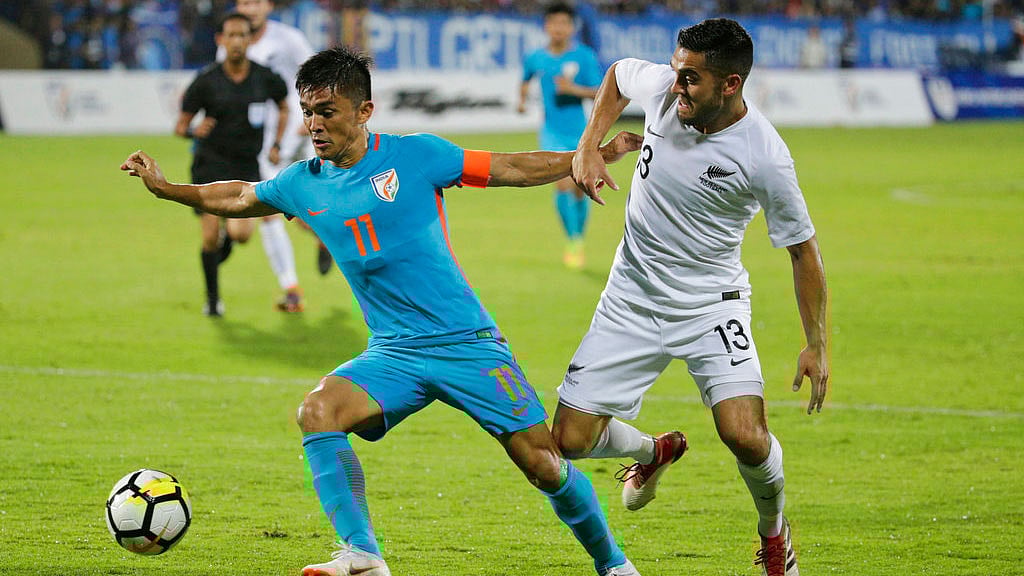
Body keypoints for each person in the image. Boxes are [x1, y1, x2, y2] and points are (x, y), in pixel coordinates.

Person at [122, 45, 645, 576]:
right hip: (393, 352)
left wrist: (586, 156)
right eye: (308, 111)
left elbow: (509, 165)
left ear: (364, 111)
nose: (314, 124)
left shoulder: (416, 155)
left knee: (544, 464)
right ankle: (363, 554)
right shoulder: (303, 182)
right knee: (318, 412)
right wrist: (167, 190)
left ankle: (615, 565)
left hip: (466, 343)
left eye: (327, 111)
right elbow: (238, 196)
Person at [551, 19, 829, 576]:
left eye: (691, 80)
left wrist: (815, 343)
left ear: (730, 84)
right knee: (570, 441)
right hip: (631, 296)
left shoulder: (765, 157)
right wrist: (587, 148)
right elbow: (615, 77)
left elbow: (803, 252)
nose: (675, 87)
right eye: (677, 73)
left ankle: (774, 534)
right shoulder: (663, 86)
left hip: (711, 304)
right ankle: (651, 452)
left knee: (745, 438)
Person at [174, 11, 289, 317]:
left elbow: (284, 106)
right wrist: (192, 131)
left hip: (246, 167)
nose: (237, 41)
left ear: (250, 40)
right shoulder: (206, 81)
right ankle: (213, 299)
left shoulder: (265, 77)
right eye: (231, 35)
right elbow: (180, 125)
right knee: (210, 236)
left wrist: (277, 144)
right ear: (220, 40)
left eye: (242, 35)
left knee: (242, 235)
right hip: (210, 165)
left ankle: (221, 248)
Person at [222, 0, 315, 311]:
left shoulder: (288, 39)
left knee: (310, 207)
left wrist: (311, 117)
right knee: (270, 212)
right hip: (265, 144)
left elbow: (319, 75)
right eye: (244, 2)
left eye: (255, 2)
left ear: (268, 6)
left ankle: (323, 237)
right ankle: (292, 289)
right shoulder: (229, 47)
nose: (250, 9)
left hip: (304, 134)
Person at [518, 1, 603, 270]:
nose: (559, 28)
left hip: (580, 132)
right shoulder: (536, 57)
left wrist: (572, 89)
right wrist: (521, 100)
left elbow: (599, 92)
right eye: (554, 23)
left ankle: (578, 236)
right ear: (546, 26)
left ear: (571, 27)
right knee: (562, 184)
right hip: (551, 132)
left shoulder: (584, 56)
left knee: (581, 188)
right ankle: (574, 241)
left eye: (564, 23)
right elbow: (525, 78)